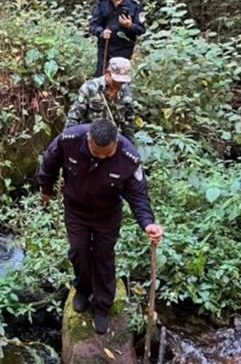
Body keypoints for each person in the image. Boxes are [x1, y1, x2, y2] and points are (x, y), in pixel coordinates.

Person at [38, 119, 163, 335]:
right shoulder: (69, 140)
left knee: (103, 257)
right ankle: (82, 289)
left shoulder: (128, 158)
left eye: (108, 153)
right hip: (76, 211)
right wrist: (45, 188)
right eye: (97, 152)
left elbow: (138, 194)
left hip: (107, 216)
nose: (102, 157)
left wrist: (147, 223)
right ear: (89, 139)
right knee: (79, 250)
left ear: (116, 142)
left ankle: (102, 306)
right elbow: (49, 161)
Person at [65, 56, 136, 143]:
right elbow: (73, 117)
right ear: (107, 73)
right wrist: (68, 139)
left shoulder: (126, 91)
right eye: (116, 81)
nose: (119, 84)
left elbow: (129, 121)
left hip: (114, 140)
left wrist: (130, 144)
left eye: (122, 82)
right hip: (90, 138)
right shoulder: (90, 88)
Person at [89, 0, 146, 77]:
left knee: (119, 79)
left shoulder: (134, 5)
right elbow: (93, 25)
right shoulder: (102, 3)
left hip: (123, 50)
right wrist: (102, 32)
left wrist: (130, 25)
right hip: (105, 49)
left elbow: (141, 29)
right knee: (101, 77)